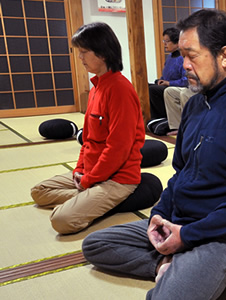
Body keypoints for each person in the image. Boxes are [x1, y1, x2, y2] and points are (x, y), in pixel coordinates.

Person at [81, 10, 226, 299]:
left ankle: (183, 268)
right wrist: (159, 216)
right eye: (182, 55)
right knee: (96, 246)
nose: (184, 65)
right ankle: (171, 265)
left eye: (192, 55)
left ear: (224, 56)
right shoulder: (196, 105)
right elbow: (180, 174)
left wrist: (186, 237)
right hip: (180, 222)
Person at [30, 22, 145, 234]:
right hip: (91, 172)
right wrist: (79, 170)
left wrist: (90, 180)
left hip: (117, 178)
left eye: (83, 52)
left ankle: (96, 202)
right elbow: (88, 140)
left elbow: (118, 148)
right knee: (39, 191)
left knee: (61, 219)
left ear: (102, 53)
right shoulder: (96, 88)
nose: (80, 57)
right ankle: (91, 202)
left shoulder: (119, 89)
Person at [149, 27, 188, 120]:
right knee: (147, 86)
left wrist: (168, 83)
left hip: (177, 88)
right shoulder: (170, 57)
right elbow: (165, 75)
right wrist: (161, 80)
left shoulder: (182, 58)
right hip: (167, 85)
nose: (165, 44)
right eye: (164, 41)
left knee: (153, 90)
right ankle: (153, 119)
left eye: (167, 41)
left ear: (176, 43)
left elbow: (185, 81)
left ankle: (163, 117)